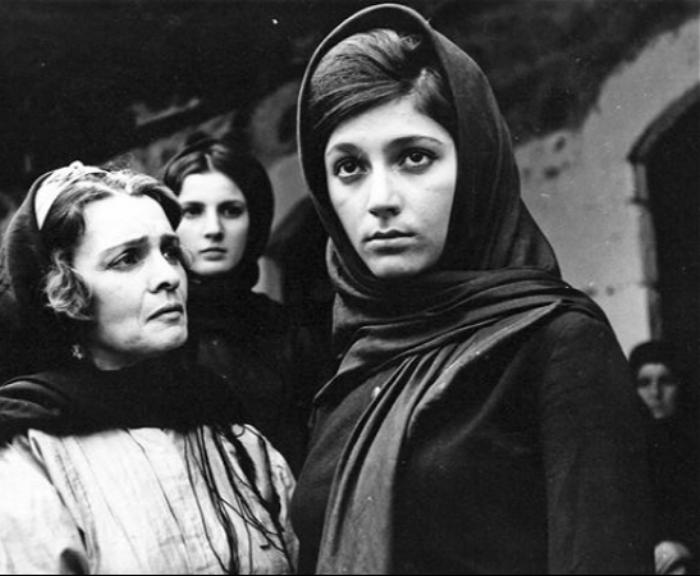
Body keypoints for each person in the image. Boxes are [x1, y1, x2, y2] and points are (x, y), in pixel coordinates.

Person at [289, 4, 653, 574]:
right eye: (350, 168)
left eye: (414, 157)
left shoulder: (556, 345)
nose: (380, 199)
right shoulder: (357, 363)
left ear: (477, 162)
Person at [0, 163, 297, 574]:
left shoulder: (235, 436)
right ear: (67, 290)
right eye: (128, 258)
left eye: (170, 251)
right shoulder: (33, 456)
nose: (168, 276)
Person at [162, 136, 322, 473]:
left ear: (256, 222)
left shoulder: (289, 333)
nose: (213, 229)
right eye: (192, 211)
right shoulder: (155, 333)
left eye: (231, 211)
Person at [630, 341, 700, 575]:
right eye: (644, 383)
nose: (655, 393)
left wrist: (686, 547)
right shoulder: (621, 450)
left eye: (665, 381)